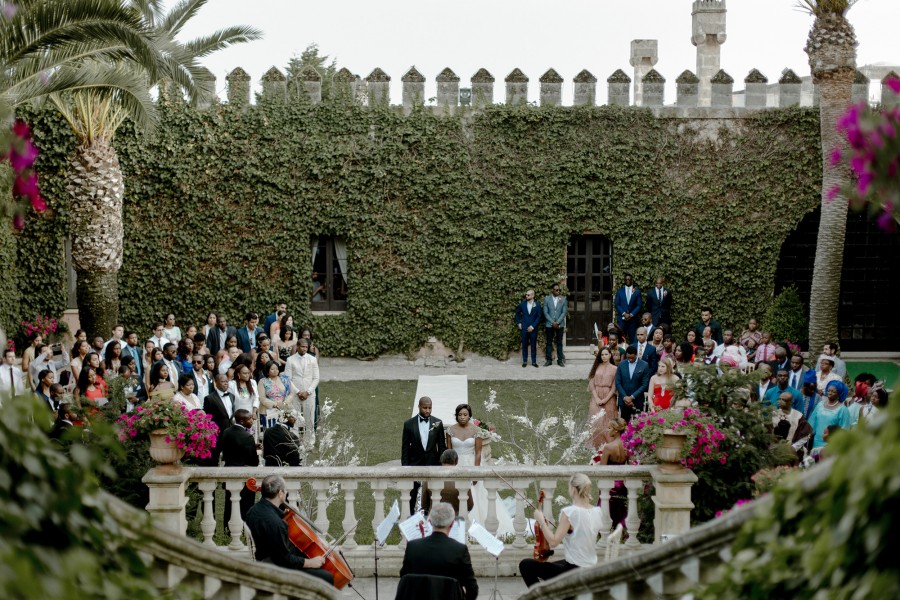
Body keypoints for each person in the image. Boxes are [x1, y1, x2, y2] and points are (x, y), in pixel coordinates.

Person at [244, 475, 333, 585]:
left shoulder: (254, 510)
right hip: (275, 567)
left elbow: (270, 522)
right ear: (280, 493)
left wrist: (286, 514)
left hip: (264, 557)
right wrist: (310, 562)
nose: (286, 493)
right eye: (285, 490)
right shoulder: (276, 524)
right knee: (327, 577)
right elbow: (285, 560)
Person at [519, 473, 603, 587]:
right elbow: (581, 532)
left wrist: (541, 522)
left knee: (526, 565)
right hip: (591, 568)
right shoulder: (597, 511)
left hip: (574, 573)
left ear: (573, 490)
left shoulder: (570, 512)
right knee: (553, 565)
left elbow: (553, 542)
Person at [446, 403, 514, 537]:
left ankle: (477, 525)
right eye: (460, 415)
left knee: (476, 495)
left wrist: (476, 471)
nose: (462, 417)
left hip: (472, 463)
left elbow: (478, 452)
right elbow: (449, 450)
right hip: (456, 464)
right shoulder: (450, 430)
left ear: (469, 415)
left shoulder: (476, 430)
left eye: (465, 415)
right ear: (456, 416)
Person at [400, 502, 478, 600]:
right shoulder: (459, 550)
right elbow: (472, 589)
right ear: (452, 523)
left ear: (430, 521)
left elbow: (404, 578)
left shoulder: (412, 547)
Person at [401, 396, 447, 514]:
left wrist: (443, 465)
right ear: (419, 407)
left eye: (429, 408)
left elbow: (442, 446)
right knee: (413, 492)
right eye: (425, 407)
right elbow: (405, 448)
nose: (427, 410)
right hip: (414, 463)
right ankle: (410, 516)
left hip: (433, 463)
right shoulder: (408, 424)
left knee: (432, 491)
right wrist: (405, 467)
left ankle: (431, 515)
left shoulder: (438, 423)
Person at [220, 409, 260, 523]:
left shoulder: (227, 432)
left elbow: (230, 449)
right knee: (245, 505)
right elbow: (254, 462)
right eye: (249, 419)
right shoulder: (247, 437)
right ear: (242, 421)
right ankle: (243, 528)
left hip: (228, 473)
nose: (252, 421)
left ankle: (227, 528)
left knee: (229, 504)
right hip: (243, 477)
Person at [284, 339, 318, 445]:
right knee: (295, 417)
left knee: (310, 418)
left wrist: (308, 392)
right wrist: (298, 392)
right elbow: (287, 378)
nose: (304, 349)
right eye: (302, 346)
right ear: (297, 346)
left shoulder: (312, 359)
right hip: (295, 394)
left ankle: (310, 442)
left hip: (309, 394)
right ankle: (295, 441)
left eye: (306, 347)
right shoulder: (290, 360)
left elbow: (316, 378)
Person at [587, 347, 617, 448]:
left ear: (610, 355)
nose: (604, 356)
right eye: (602, 355)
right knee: (596, 419)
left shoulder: (615, 369)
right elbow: (591, 383)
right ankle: (595, 443)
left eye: (606, 354)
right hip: (596, 395)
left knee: (607, 420)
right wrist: (597, 398)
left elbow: (614, 387)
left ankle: (608, 443)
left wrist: (605, 399)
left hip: (608, 396)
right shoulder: (596, 366)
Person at [809, 380, 851, 449]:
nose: (830, 393)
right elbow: (812, 422)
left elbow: (844, 430)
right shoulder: (820, 404)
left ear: (839, 394)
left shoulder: (843, 409)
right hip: (816, 442)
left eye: (833, 392)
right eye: (828, 390)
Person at [204, 374, 234, 465]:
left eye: (226, 381)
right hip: (217, 433)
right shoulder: (209, 398)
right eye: (222, 381)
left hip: (230, 431)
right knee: (215, 457)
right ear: (216, 383)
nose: (225, 384)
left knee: (230, 456)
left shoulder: (232, 396)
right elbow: (208, 419)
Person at [260, 361, 296, 431]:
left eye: (276, 369)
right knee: (272, 432)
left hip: (285, 408)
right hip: (269, 411)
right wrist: (275, 404)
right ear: (267, 371)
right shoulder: (263, 381)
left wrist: (285, 402)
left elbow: (292, 393)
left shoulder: (285, 379)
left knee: (285, 431)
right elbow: (262, 398)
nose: (275, 371)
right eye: (272, 369)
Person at [515, 289, 542, 368]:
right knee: (524, 345)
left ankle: (534, 362)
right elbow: (517, 313)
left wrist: (533, 326)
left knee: (533, 345)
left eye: (528, 295)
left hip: (533, 329)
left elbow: (539, 317)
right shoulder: (522, 304)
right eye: (526, 295)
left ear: (533, 295)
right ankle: (525, 361)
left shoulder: (537, 305)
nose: (526, 296)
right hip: (524, 328)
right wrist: (519, 323)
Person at [542, 283, 567, 367]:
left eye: (559, 290)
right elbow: (545, 312)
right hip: (549, 324)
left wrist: (558, 322)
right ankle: (549, 360)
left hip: (560, 325)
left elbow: (564, 312)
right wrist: (552, 322)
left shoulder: (563, 299)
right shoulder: (547, 299)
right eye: (556, 290)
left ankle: (560, 360)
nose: (558, 291)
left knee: (559, 343)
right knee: (549, 342)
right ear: (552, 290)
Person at [613, 273, 642, 344]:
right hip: (622, 320)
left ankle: (632, 354)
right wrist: (624, 313)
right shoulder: (620, 291)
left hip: (633, 320)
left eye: (629, 279)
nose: (628, 280)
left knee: (633, 339)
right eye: (626, 279)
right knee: (621, 338)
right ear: (624, 280)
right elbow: (617, 304)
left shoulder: (637, 291)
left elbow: (639, 305)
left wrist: (631, 314)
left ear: (632, 280)